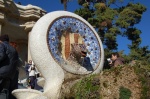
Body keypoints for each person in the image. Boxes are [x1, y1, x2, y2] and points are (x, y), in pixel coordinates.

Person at [0, 34, 19, 99]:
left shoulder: (2, 45)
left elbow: (1, 56)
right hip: (10, 75)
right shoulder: (14, 50)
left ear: (1, 40)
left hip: (1, 72)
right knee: (3, 91)